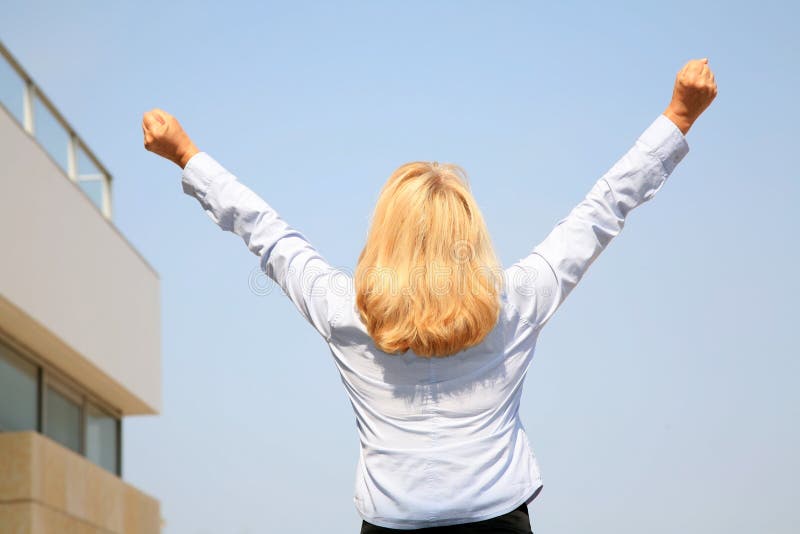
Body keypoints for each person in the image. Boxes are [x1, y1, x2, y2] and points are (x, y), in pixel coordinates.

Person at [142, 58, 717, 533]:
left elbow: (265, 231)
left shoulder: (345, 310)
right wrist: (677, 117)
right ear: (470, 235)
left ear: (384, 235)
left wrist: (187, 154)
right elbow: (599, 211)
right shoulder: (514, 303)